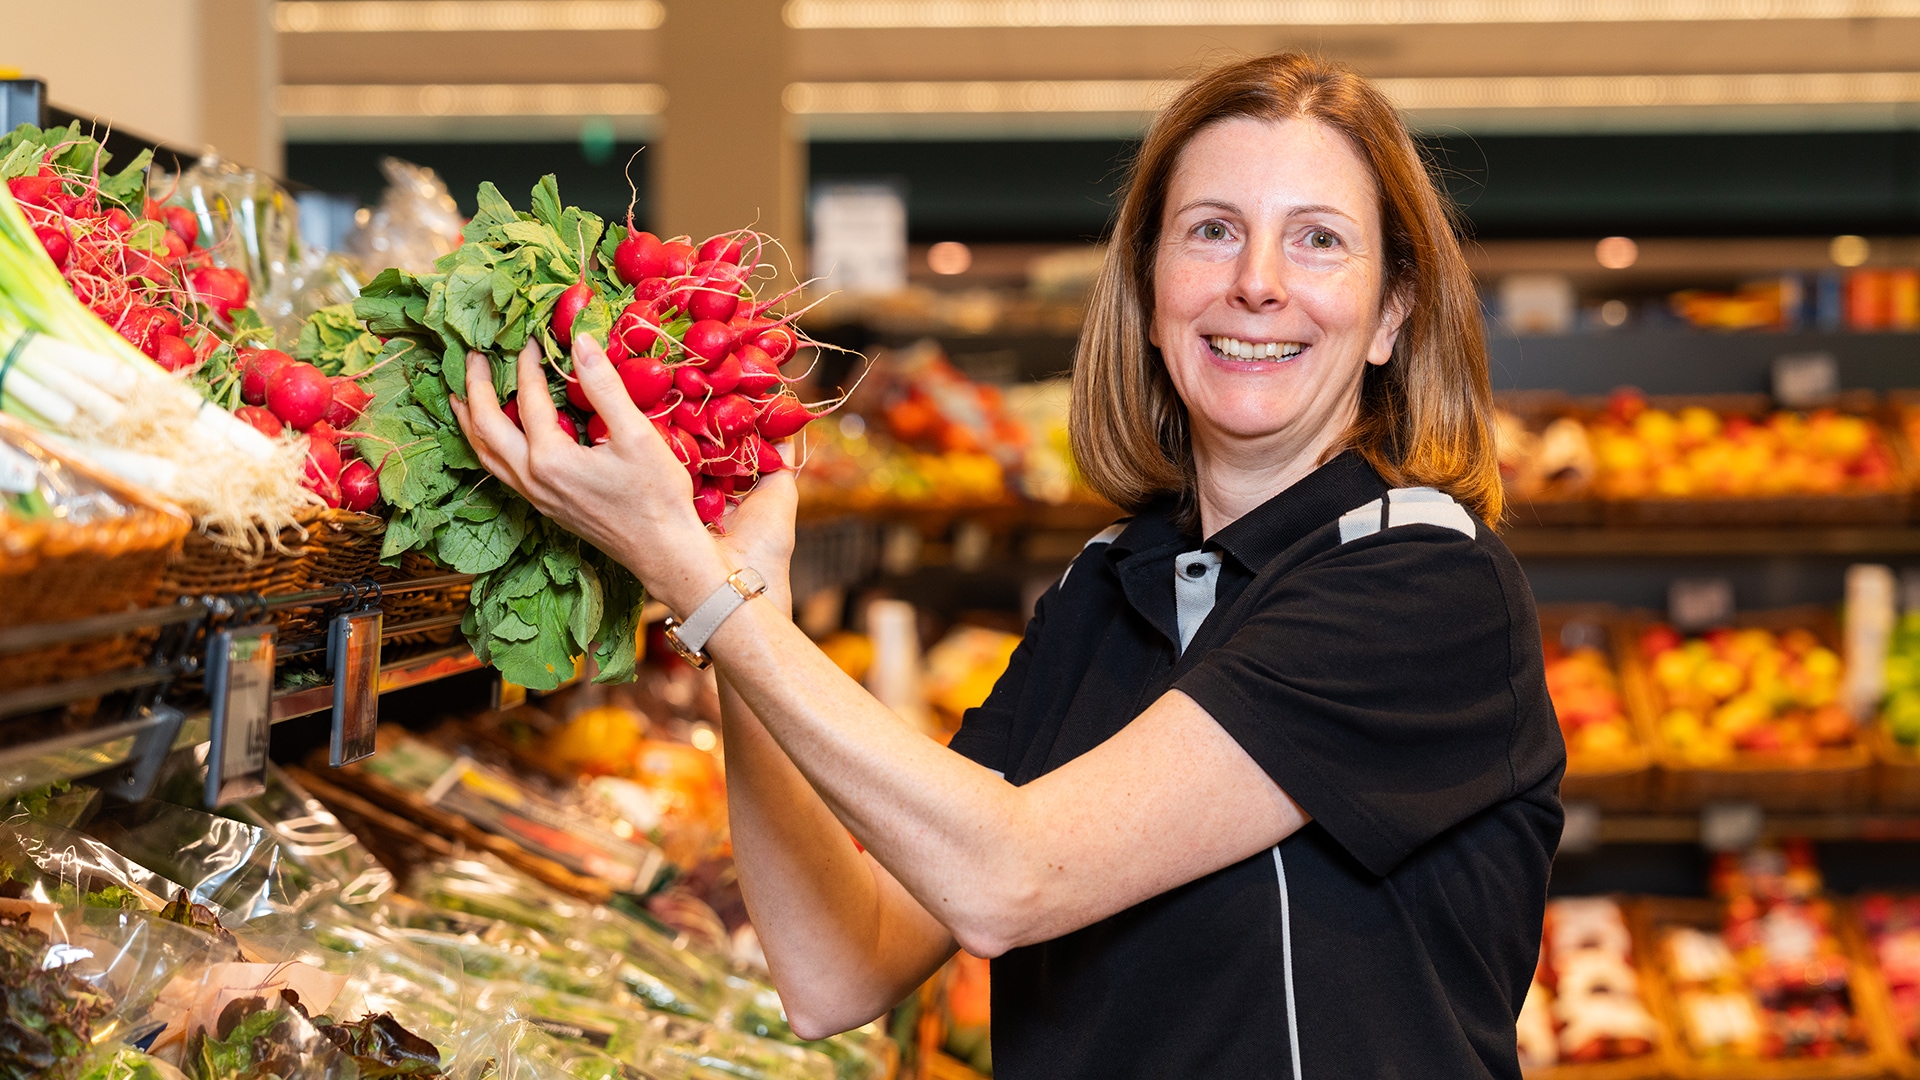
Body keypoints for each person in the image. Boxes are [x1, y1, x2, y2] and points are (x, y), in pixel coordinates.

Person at [451, 51, 1565, 1080]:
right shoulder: (1105, 588)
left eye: (1319, 238)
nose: (1258, 283)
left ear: (1391, 317)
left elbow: (1009, 877)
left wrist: (700, 590)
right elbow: (839, 967)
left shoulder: (1422, 582)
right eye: (1212, 231)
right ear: (1149, 293)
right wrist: (755, 604)